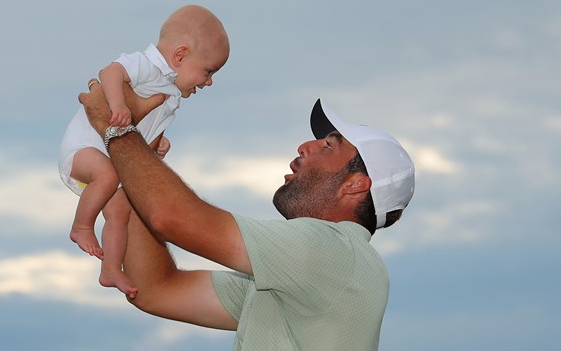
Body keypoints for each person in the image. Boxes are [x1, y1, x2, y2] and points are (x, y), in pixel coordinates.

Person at [79, 83, 415, 351]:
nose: (304, 146)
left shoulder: (335, 251)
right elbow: (156, 289)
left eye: (329, 146)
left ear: (356, 184)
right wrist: (137, 167)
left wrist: (117, 129)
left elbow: (173, 218)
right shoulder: (296, 278)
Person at [58, 5, 230, 298]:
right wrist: (118, 104)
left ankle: (111, 269)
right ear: (180, 55)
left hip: (108, 169)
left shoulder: (171, 97)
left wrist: (155, 147)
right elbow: (110, 72)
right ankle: (81, 226)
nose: (210, 81)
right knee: (108, 175)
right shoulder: (146, 66)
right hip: (83, 149)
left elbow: (141, 139)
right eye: (208, 71)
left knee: (121, 213)